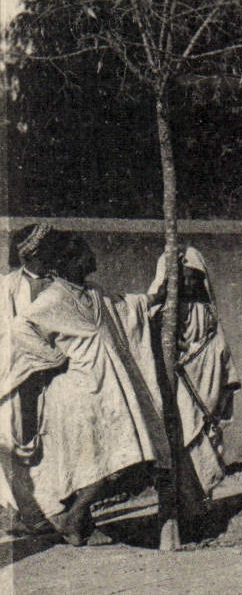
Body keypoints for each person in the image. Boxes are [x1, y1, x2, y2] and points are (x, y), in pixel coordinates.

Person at [2, 233, 170, 546]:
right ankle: (75, 518)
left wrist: (154, 296)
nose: (92, 257)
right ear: (69, 262)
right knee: (94, 462)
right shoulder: (53, 299)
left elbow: (123, 306)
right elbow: (21, 328)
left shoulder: (94, 292)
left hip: (107, 389)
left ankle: (76, 520)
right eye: (85, 254)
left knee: (121, 458)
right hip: (76, 393)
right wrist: (53, 358)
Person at [150, 246, 239, 503]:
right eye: (183, 278)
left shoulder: (207, 311)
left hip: (206, 384)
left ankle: (202, 497)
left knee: (206, 434)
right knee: (185, 435)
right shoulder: (166, 311)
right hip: (181, 382)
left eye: (194, 277)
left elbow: (218, 346)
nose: (189, 283)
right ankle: (186, 501)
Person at [2, 223, 59, 535]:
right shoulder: (8, 287)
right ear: (31, 254)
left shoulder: (58, 284)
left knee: (48, 442)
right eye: (46, 248)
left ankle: (51, 511)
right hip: (16, 376)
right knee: (15, 443)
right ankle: (22, 512)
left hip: (53, 373)